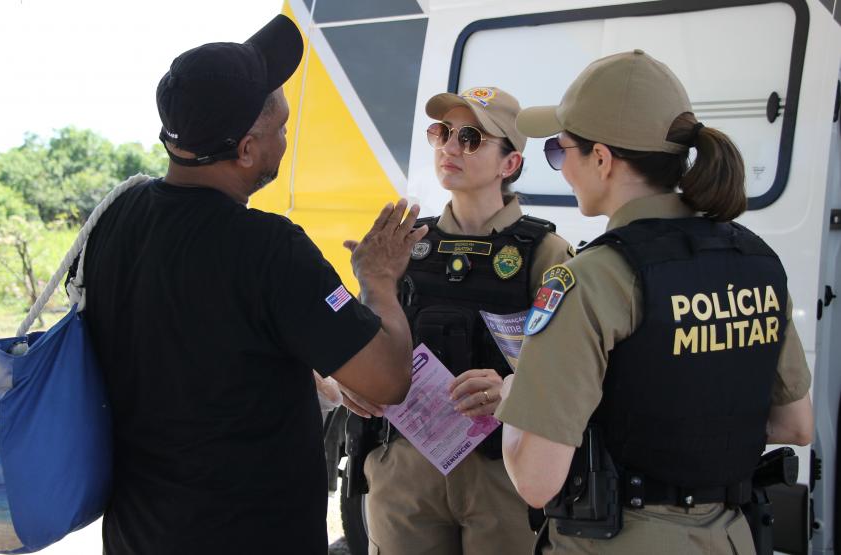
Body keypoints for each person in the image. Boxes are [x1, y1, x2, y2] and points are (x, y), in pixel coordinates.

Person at [78, 15, 427, 555]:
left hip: (138, 534)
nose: (288, 141)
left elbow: (192, 344)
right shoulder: (268, 248)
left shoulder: (114, 222)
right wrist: (378, 280)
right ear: (245, 150)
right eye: (283, 129)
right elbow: (387, 379)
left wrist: (313, 365)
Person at [496, 49, 814, 554]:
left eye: (560, 151)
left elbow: (537, 480)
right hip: (734, 537)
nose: (560, 168)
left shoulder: (593, 279)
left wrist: (515, 398)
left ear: (601, 159)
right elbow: (795, 424)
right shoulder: (754, 259)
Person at [342, 86, 573, 555]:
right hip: (405, 468)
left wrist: (510, 388)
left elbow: (571, 373)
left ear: (510, 164)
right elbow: (367, 340)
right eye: (442, 133)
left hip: (503, 474)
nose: (449, 147)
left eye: (470, 138)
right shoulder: (405, 242)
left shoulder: (545, 253)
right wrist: (349, 377)